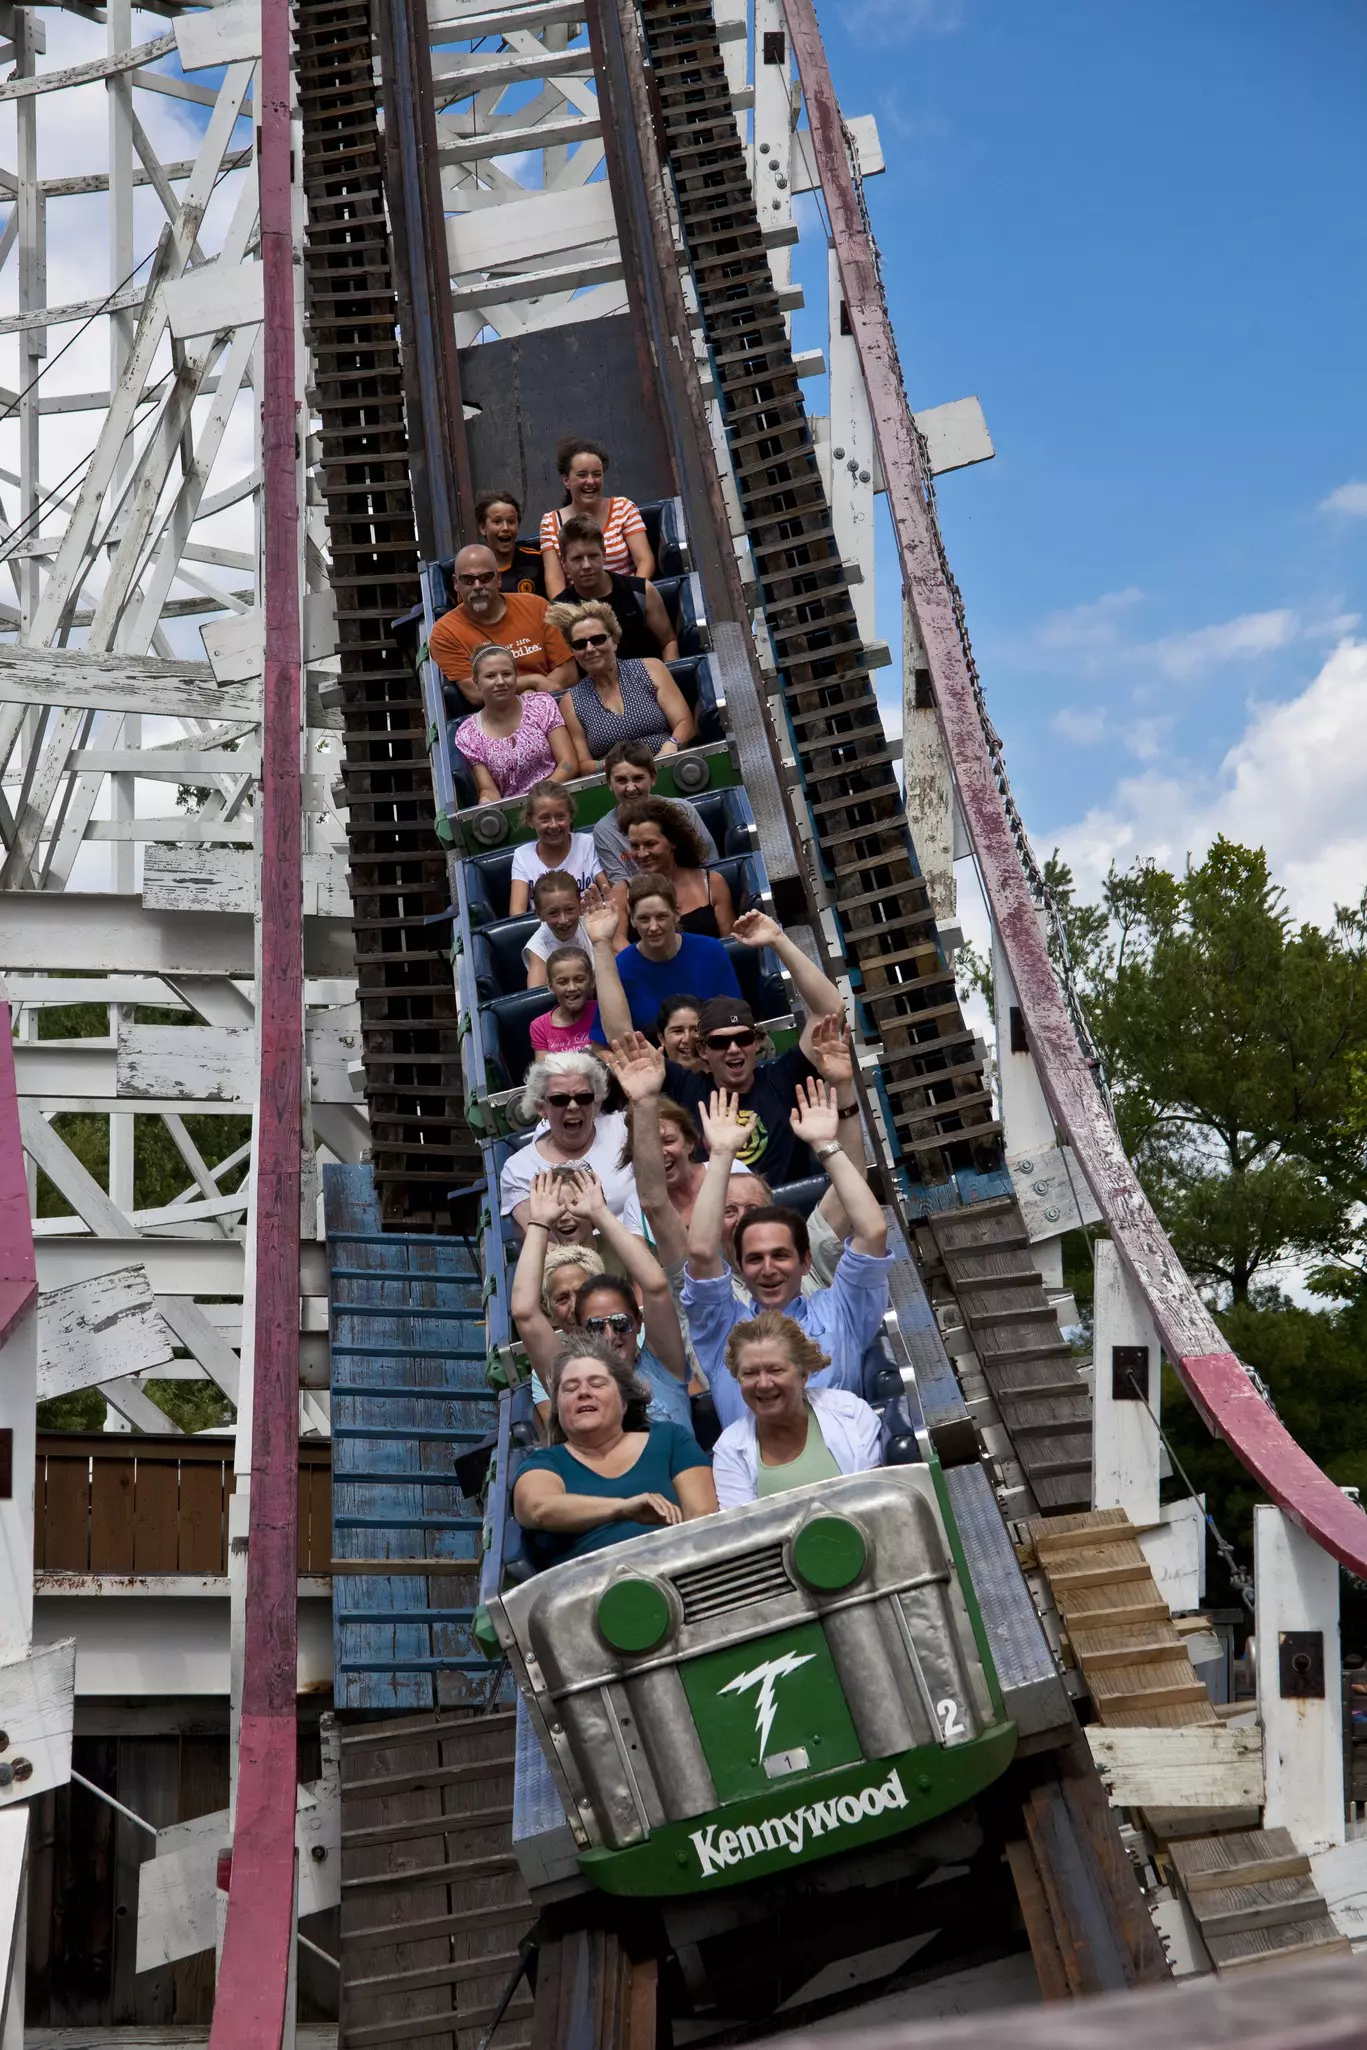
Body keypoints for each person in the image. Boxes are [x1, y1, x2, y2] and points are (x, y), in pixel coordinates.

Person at [682, 1082, 893, 1431]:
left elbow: (873, 1231)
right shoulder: (722, 1328)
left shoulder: (840, 1310)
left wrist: (826, 1145)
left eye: (780, 1255)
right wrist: (721, 1154)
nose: (768, 1269)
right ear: (741, 1268)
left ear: (805, 1261)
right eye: (754, 1259)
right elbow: (702, 1250)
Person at [593, 900, 848, 1187]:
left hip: (790, 1215)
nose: (734, 1049)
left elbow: (830, 1012)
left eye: (743, 1038)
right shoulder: (685, 1088)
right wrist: (602, 945)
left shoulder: (783, 1076)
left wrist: (778, 941)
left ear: (757, 1042)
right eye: (720, 1043)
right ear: (703, 1050)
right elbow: (622, 1040)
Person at [511, 1168, 695, 1434]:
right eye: (596, 1326)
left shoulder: (662, 1365)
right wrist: (538, 1223)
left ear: (638, 1322)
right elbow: (525, 1312)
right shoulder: (571, 1379)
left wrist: (599, 1213)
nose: (610, 1334)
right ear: (582, 1331)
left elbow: (655, 1286)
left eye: (621, 1323)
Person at [512, 1336, 716, 1570]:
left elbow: (703, 1516)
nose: (583, 1392)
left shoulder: (670, 1439)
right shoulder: (544, 1463)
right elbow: (539, 1509)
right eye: (570, 1388)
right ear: (557, 1410)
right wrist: (623, 1508)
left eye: (597, 1384)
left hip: (678, 1571)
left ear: (624, 1401)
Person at [712, 1312, 882, 1507]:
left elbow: (876, 1500)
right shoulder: (729, 1449)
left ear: (803, 1375)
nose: (764, 1384)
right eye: (750, 1373)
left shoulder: (851, 1411)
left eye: (775, 1370)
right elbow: (744, 1530)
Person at [584, 875, 741, 1039]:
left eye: (661, 917)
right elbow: (603, 1043)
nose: (653, 927)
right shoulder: (621, 967)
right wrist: (600, 942)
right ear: (632, 920)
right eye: (644, 919)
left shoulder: (711, 951)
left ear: (676, 914)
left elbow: (735, 1020)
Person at [546, 602, 695, 772]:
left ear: (615, 640)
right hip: (617, 782)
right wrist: (614, 766)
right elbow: (584, 764)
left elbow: (684, 723)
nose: (590, 649)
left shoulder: (651, 668)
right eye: (580, 644)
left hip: (667, 764)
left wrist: (671, 746)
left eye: (598, 640)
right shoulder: (570, 702)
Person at [498, 1050, 638, 1231]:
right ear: (541, 1108)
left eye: (584, 1097)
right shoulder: (518, 1170)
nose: (573, 1106)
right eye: (560, 1099)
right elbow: (543, 1244)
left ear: (596, 1103)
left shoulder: (624, 1129)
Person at [428, 545, 576, 706]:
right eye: (468, 580)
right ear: (456, 583)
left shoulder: (537, 606)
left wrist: (534, 699)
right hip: (497, 720)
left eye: (485, 577)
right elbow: (476, 693)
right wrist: (533, 681)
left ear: (498, 579)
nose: (477, 586)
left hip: (555, 705)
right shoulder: (444, 632)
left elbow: (569, 673)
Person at [453, 644, 576, 801]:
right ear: (477, 682)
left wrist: (540, 796)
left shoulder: (541, 704)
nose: (500, 682)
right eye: (490, 676)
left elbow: (568, 763)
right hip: (514, 809)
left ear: (516, 676)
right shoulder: (467, 734)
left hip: (558, 795)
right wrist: (487, 803)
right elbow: (488, 790)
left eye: (507, 674)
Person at [539, 435, 654, 599]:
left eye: (596, 474)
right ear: (566, 481)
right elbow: (554, 579)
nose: (590, 481)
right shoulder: (550, 522)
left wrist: (629, 598)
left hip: (627, 599)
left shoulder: (623, 508)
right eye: (582, 475)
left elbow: (645, 561)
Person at [592, 739, 719, 889]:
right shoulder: (604, 830)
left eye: (638, 778)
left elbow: (710, 865)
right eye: (621, 780)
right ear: (609, 783)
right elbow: (623, 888)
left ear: (653, 778)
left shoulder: (682, 809)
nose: (631, 788)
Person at [558, 514, 677, 662]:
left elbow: (668, 642)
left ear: (604, 555)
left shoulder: (641, 591)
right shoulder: (559, 611)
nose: (586, 565)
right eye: (577, 558)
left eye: (593, 556)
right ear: (564, 563)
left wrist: (666, 680)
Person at [618, 797, 734, 942]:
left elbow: (730, 943)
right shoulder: (622, 893)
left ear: (673, 841)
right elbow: (618, 949)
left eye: (650, 844)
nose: (642, 854)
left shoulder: (713, 883)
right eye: (635, 846)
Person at [508, 784, 608, 915]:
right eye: (545, 819)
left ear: (570, 816)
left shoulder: (587, 843)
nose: (554, 825)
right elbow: (517, 913)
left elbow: (607, 891)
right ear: (530, 821)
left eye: (560, 817)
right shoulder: (522, 855)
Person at [524, 871, 591, 988]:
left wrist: (603, 941)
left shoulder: (592, 923)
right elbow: (536, 998)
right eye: (553, 913)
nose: (563, 920)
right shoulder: (538, 947)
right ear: (539, 914)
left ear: (580, 905)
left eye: (569, 909)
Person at [529, 946, 597, 1056]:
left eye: (579, 979)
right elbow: (542, 1070)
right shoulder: (540, 1026)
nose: (572, 988)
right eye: (562, 982)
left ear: (592, 980)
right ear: (551, 986)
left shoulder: (603, 1012)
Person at [475, 489, 545, 594]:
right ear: (483, 528)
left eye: (511, 522)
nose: (505, 528)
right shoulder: (471, 570)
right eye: (497, 522)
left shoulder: (538, 561)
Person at [656, 993, 705, 1070]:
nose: (687, 1039)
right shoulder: (649, 1080)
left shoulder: (723, 1079)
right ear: (661, 1038)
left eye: (696, 1030)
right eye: (678, 1031)